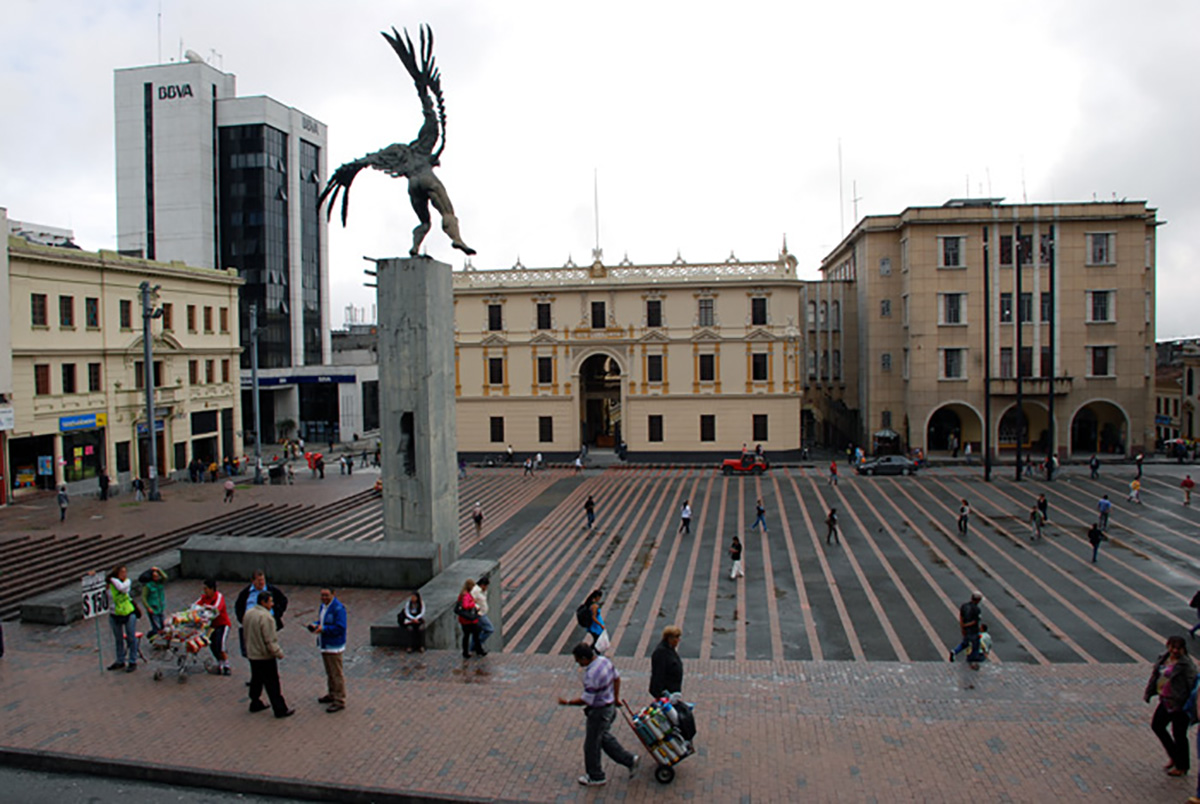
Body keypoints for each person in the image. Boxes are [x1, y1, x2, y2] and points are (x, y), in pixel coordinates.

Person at [556, 641, 639, 787]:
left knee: (591, 745)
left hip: (599, 712)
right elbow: (616, 678)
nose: (577, 663)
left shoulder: (591, 675)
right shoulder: (604, 661)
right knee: (603, 738)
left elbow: (586, 700)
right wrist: (616, 698)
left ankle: (596, 776)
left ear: (583, 658)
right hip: (610, 707)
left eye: (577, 660)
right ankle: (629, 760)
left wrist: (567, 702)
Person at [1144, 635, 1197, 777]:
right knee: (1157, 726)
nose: (1174, 651)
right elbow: (1156, 675)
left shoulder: (1186, 664)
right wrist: (1150, 692)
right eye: (1172, 647)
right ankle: (1174, 755)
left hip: (1179, 703)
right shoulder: (1163, 658)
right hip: (1166, 700)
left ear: (1183, 649)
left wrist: (1189, 702)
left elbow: (1192, 682)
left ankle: (1182, 766)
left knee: (1179, 734)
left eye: (1177, 648)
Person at [244, 591, 294, 718]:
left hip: (252, 653)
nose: (272, 604)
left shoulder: (249, 613)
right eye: (270, 601)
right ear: (263, 602)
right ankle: (280, 709)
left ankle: (255, 701)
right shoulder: (266, 618)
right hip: (264, 656)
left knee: (256, 679)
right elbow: (270, 640)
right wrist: (278, 653)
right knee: (272, 683)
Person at [234, 571, 289, 668]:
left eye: (263, 580)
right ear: (253, 581)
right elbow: (238, 606)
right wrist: (243, 619)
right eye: (259, 580)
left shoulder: (272, 590)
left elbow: (283, 600)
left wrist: (277, 613)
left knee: (267, 644)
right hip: (251, 624)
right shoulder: (245, 593)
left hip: (267, 622)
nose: (261, 583)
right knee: (252, 650)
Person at [309, 588, 347, 713]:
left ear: (333, 594)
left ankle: (339, 699)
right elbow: (322, 621)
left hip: (334, 646)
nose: (324, 597)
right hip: (325, 644)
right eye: (322, 595)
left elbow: (340, 627)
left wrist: (324, 629)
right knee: (330, 672)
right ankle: (332, 693)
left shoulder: (338, 608)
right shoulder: (323, 607)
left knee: (336, 673)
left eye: (326, 595)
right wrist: (316, 624)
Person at [195, 578, 232, 676]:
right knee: (212, 644)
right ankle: (220, 663)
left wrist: (205, 609)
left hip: (222, 624)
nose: (205, 591)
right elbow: (195, 606)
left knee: (220, 644)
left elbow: (216, 608)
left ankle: (227, 665)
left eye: (206, 588)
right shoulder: (203, 598)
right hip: (211, 626)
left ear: (212, 589)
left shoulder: (219, 597)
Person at [106, 566, 138, 672]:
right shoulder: (109, 586)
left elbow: (122, 588)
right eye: (122, 572)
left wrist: (112, 580)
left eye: (125, 572)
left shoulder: (126, 583)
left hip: (128, 613)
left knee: (131, 637)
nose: (124, 574)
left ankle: (133, 660)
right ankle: (120, 660)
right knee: (118, 639)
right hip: (114, 614)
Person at [949, 591, 984, 668]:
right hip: (973, 631)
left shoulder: (964, 606)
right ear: (977, 600)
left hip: (966, 630)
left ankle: (954, 651)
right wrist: (967, 625)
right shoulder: (976, 609)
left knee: (965, 643)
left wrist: (962, 627)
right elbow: (975, 621)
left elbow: (961, 617)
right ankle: (972, 662)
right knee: (975, 646)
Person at [649, 626, 683, 699]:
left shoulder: (670, 649)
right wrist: (661, 694)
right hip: (666, 694)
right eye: (676, 638)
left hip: (673, 692)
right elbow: (658, 674)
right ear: (669, 638)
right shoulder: (661, 653)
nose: (678, 640)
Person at [456, 578, 482, 659]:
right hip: (469, 620)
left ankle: (466, 652)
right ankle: (479, 650)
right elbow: (466, 606)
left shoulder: (462, 594)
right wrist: (473, 603)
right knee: (475, 634)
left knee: (466, 636)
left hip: (463, 619)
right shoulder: (466, 595)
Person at [139, 567, 167, 638]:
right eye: (155, 576)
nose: (157, 577)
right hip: (153, 609)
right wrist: (148, 607)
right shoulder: (148, 586)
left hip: (160, 607)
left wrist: (158, 570)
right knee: (156, 626)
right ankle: (154, 637)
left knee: (163, 625)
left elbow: (165, 577)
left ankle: (162, 639)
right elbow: (143, 597)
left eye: (157, 576)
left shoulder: (159, 583)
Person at [471, 577, 493, 655]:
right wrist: (477, 607)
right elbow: (470, 601)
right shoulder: (475, 591)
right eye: (486, 586)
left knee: (477, 632)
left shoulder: (483, 591)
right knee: (489, 629)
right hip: (479, 614)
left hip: (482, 613)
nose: (486, 588)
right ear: (483, 585)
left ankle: (474, 647)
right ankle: (477, 645)